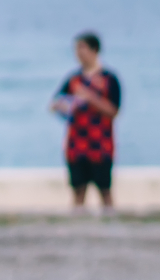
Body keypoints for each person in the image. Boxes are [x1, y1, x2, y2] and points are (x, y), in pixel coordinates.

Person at [50, 31, 121, 212]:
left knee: (104, 190)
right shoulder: (73, 80)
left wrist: (90, 98)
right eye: (76, 49)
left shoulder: (109, 79)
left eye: (82, 48)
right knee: (78, 190)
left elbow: (114, 111)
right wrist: (63, 106)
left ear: (94, 50)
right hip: (77, 144)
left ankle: (111, 224)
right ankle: (76, 227)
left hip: (101, 144)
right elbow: (55, 103)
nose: (79, 54)